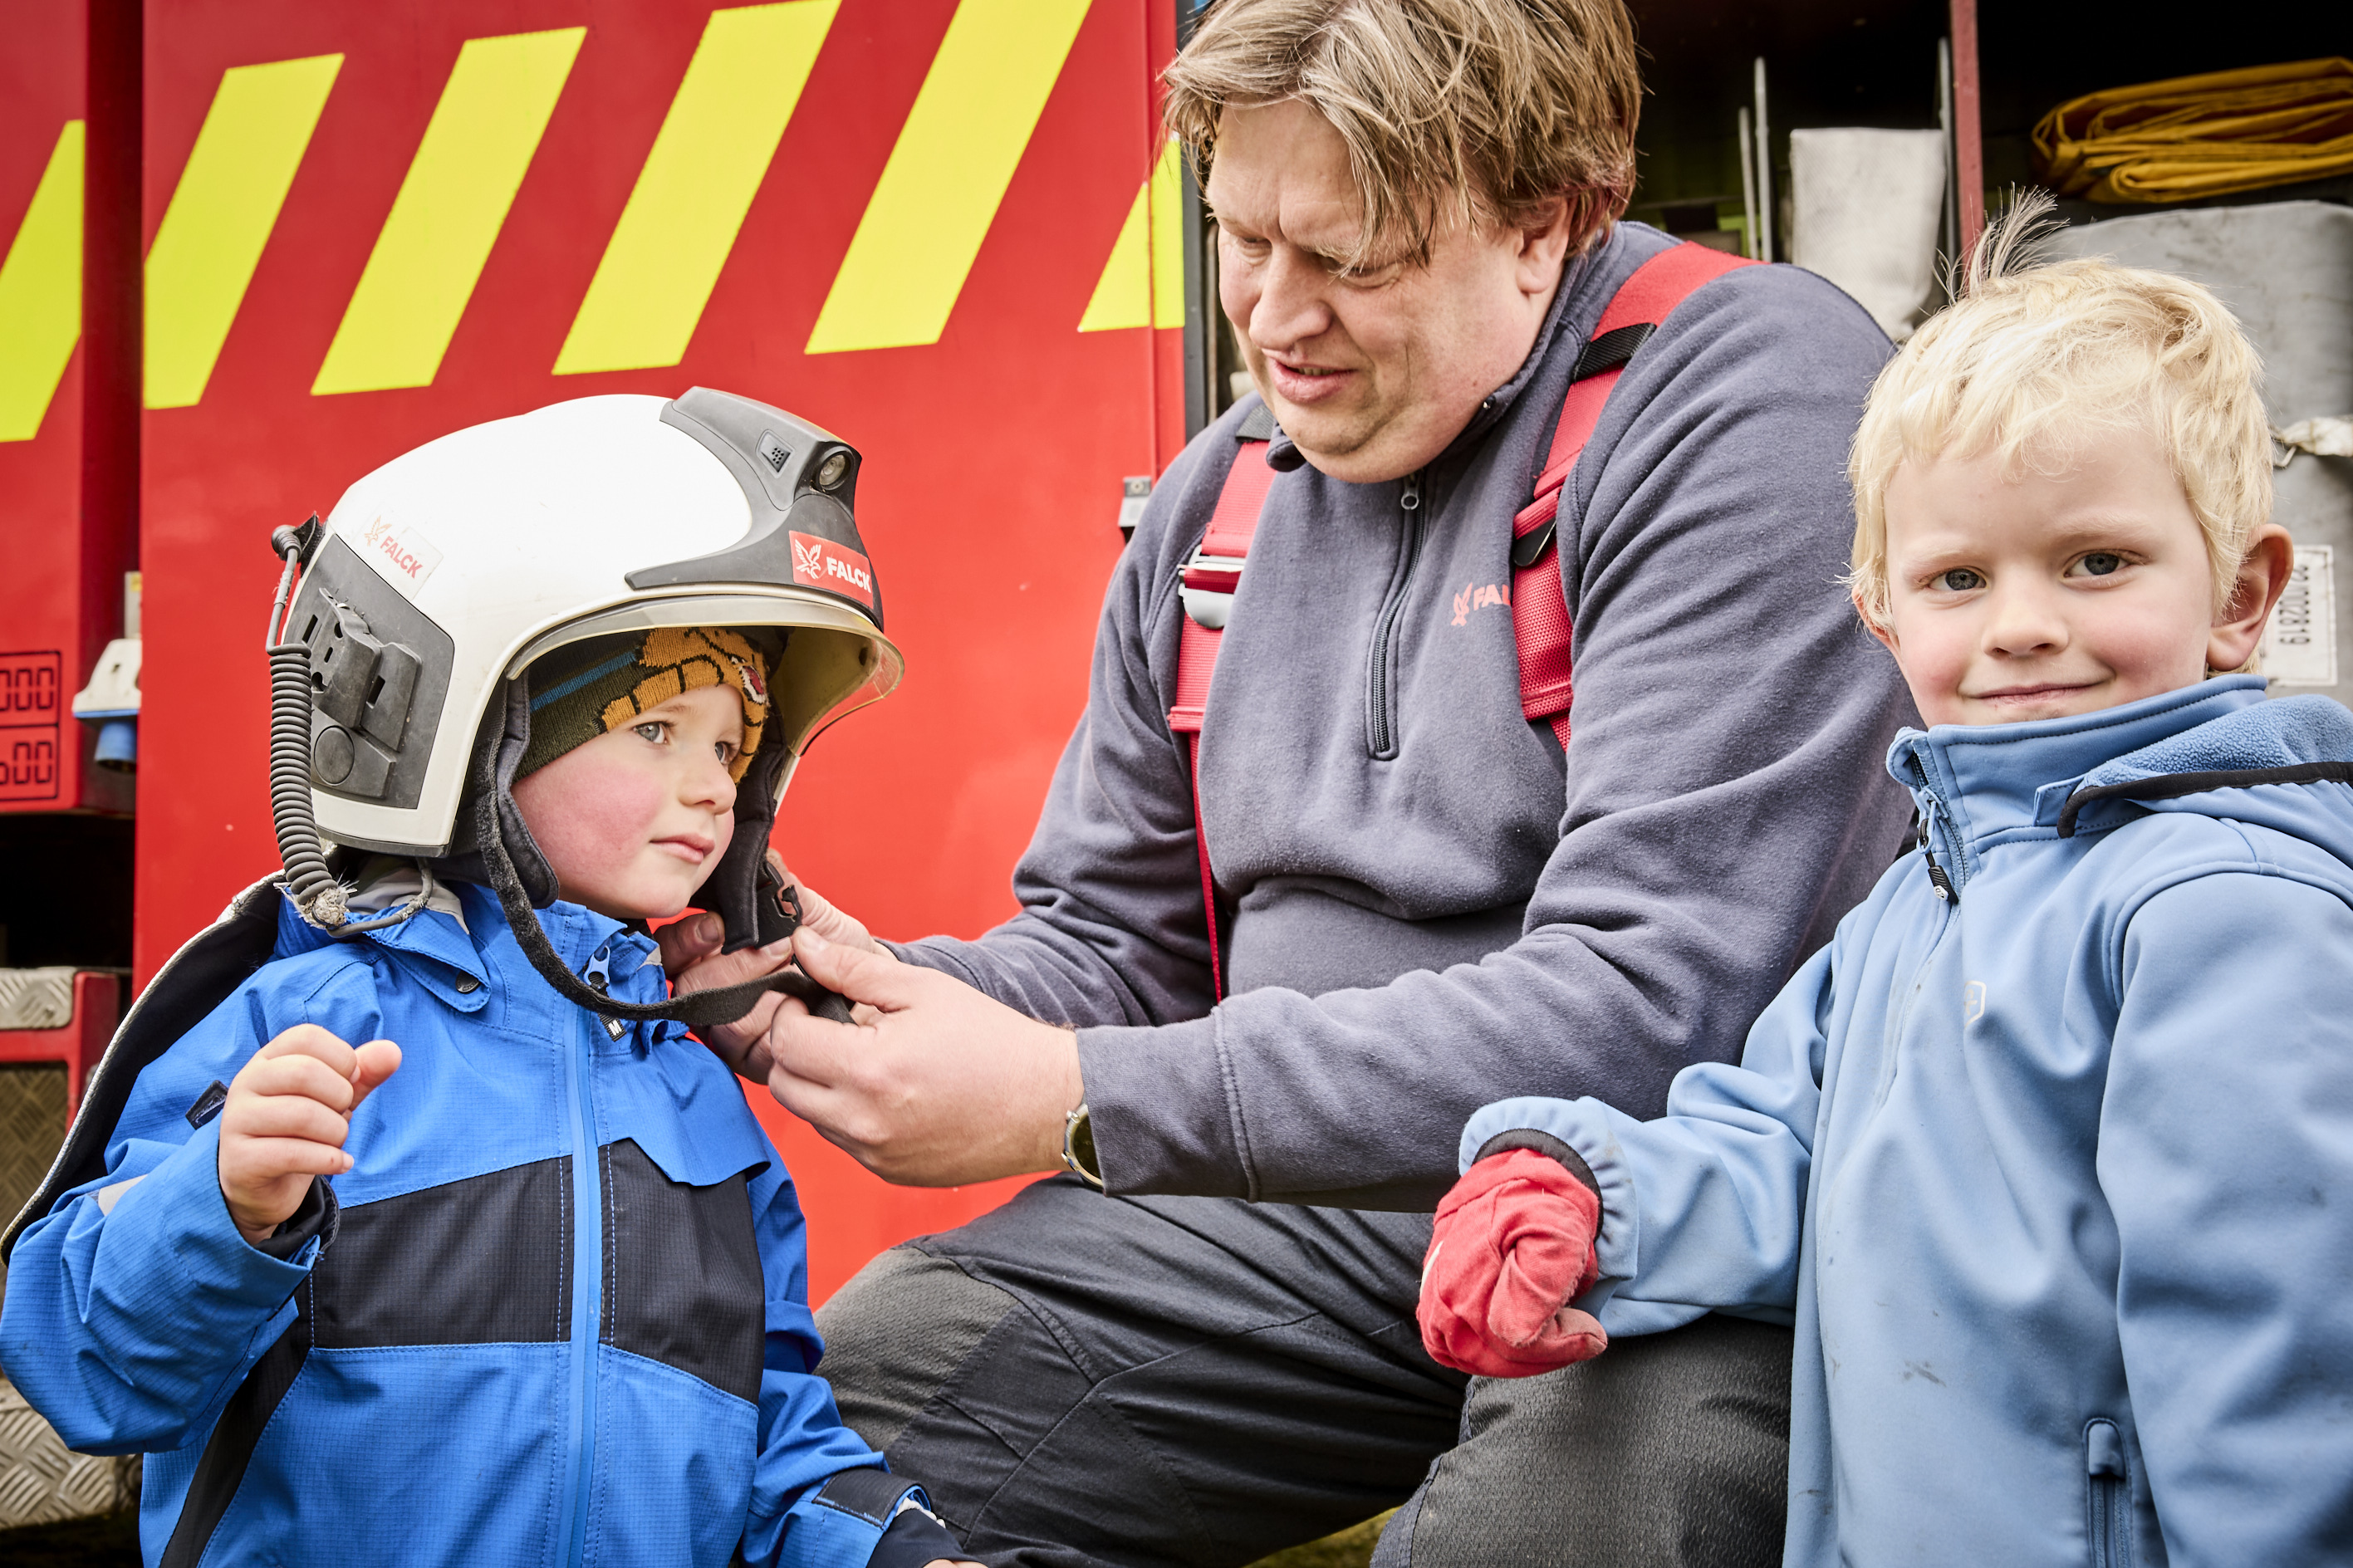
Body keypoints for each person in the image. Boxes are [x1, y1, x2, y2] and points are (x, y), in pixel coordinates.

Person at [663, 2, 1916, 1562]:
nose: (1274, 315)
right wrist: (836, 991)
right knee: (783, 1462)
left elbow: (1653, 1004)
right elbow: (1118, 954)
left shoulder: (1744, 400)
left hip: (1672, 1228)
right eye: (1238, 237)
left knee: (1540, 1533)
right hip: (1302, 1236)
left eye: (1351, 257)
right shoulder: (1217, 506)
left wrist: (1071, 1101)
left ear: (1541, 225)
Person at [1416, 222, 2353, 1564]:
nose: (2022, 622)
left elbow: (2280, 1369)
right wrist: (1584, 1199)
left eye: (2095, 561)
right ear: (1881, 614)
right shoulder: (1919, 902)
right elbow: (1787, 1148)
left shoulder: (2220, 914)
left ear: (2242, 594)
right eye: (1958, 579)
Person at [0, 394, 980, 1568]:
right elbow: (82, 1369)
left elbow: (769, 1447)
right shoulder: (301, 1025)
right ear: (476, 730)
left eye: (730, 747)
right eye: (658, 729)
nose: (716, 786)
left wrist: (891, 1552)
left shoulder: (699, 1100)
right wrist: (222, 1208)